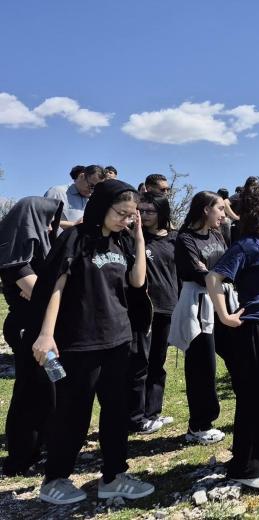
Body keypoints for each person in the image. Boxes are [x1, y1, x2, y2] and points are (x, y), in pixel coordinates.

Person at [30, 179, 155, 504]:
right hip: (80, 341)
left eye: (130, 215)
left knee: (116, 411)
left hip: (118, 339)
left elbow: (137, 281)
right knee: (73, 413)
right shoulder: (76, 238)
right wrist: (46, 333)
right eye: (121, 213)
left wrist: (138, 238)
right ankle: (55, 479)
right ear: (101, 206)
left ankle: (114, 476)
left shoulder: (122, 241)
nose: (125, 220)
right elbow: (55, 287)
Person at [206, 180, 259, 489]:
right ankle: (246, 467)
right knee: (257, 397)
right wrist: (224, 315)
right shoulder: (247, 245)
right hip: (255, 328)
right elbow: (214, 278)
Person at [0, 197, 63, 476]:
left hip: (40, 329)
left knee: (49, 389)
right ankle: (21, 456)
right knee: (31, 392)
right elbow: (39, 293)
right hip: (29, 331)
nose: (50, 228)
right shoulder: (16, 258)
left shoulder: (31, 252)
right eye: (47, 222)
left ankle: (41, 446)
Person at [170, 191, 234, 445]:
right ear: (206, 209)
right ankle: (199, 425)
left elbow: (227, 266)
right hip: (198, 306)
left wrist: (214, 274)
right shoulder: (185, 238)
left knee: (236, 354)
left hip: (222, 301)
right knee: (202, 366)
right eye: (220, 209)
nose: (224, 214)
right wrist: (215, 274)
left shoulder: (217, 234)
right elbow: (198, 274)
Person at [127, 192, 178, 435]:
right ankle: (135, 417)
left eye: (150, 211)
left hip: (168, 307)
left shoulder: (174, 239)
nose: (145, 215)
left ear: (162, 212)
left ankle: (152, 413)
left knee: (158, 363)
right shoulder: (132, 237)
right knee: (140, 363)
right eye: (141, 210)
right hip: (142, 309)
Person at [45, 164, 106, 231]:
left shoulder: (92, 201)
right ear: (81, 176)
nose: (92, 191)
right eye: (91, 186)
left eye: (96, 188)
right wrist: (74, 225)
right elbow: (43, 221)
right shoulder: (57, 192)